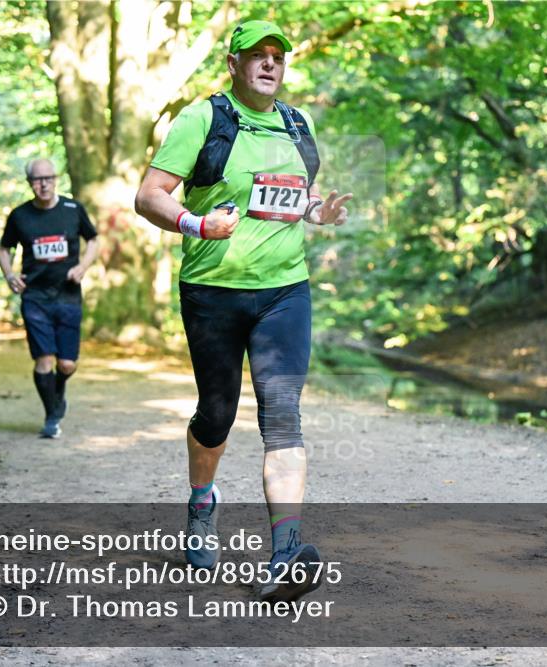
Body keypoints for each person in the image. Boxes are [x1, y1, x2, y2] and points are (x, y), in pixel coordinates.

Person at [135, 19, 352, 603]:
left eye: (278, 56)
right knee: (217, 413)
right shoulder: (202, 119)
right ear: (233, 64)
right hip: (213, 291)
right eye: (256, 54)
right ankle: (202, 501)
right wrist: (194, 222)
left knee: (282, 413)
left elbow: (289, 197)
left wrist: (317, 213)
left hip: (285, 290)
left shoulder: (297, 125)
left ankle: (286, 553)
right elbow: (149, 194)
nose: (269, 63)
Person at [0, 159, 99, 439]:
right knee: (43, 360)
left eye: (48, 178)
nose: (43, 184)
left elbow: (93, 240)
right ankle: (52, 415)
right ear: (30, 183)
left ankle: (58, 388)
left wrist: (83, 267)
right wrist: (9, 275)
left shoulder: (72, 209)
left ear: (56, 179)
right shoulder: (20, 216)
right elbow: (3, 249)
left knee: (66, 365)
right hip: (35, 297)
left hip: (67, 297)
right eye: (37, 179)